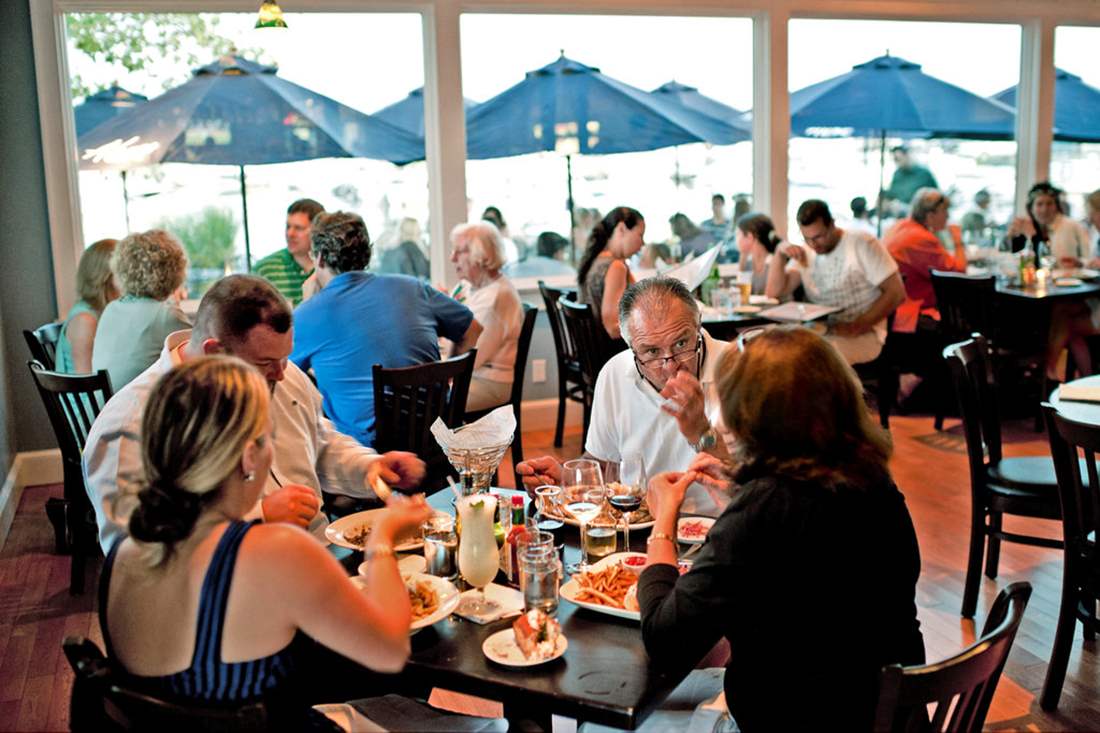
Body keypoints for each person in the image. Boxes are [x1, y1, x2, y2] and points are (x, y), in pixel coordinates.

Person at [98, 355, 500, 731]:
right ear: (248, 457)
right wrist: (382, 540)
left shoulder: (123, 554)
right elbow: (390, 650)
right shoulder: (276, 551)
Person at [634, 326, 923, 732]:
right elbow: (807, 563)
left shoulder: (765, 511)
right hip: (884, 713)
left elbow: (666, 642)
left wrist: (663, 520)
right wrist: (742, 492)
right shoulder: (873, 482)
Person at [84, 274, 424, 550]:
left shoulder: (282, 374)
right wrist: (258, 517)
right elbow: (131, 549)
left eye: (286, 357)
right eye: (265, 363)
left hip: (317, 554)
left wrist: (370, 467)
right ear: (215, 351)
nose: (281, 372)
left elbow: (319, 441)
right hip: (223, 595)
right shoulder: (132, 421)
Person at [517, 278, 733, 517]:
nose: (670, 366)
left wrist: (703, 433)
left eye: (681, 343)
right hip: (640, 527)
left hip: (719, 527)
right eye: (651, 352)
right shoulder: (615, 373)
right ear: (630, 346)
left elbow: (761, 488)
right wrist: (567, 480)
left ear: (698, 324)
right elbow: (602, 461)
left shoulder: (737, 370)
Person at [291, 212, 481, 447]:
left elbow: (285, 377)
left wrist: (309, 300)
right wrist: (448, 371)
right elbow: (472, 329)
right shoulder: (413, 288)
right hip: (437, 440)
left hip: (367, 457)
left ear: (318, 258)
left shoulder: (308, 314)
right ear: (367, 253)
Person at [766, 199, 905, 365]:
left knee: (808, 360)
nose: (813, 244)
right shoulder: (807, 250)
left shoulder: (861, 243)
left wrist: (856, 326)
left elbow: (896, 293)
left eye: (819, 237)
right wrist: (780, 254)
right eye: (807, 238)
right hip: (821, 331)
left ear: (832, 224)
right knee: (773, 353)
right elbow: (773, 292)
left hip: (863, 334)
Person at [92, 229, 191, 390]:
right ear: (174, 269)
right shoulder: (165, 315)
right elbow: (204, 357)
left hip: (103, 410)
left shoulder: (111, 309)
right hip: (135, 412)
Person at [448, 221, 523, 412]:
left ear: (480, 255)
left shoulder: (496, 297)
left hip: (488, 381)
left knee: (422, 401)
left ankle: (450, 442)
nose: (452, 258)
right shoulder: (468, 286)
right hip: (471, 375)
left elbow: (470, 357)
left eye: (459, 251)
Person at [884, 188, 967, 313]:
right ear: (930, 215)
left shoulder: (899, 226)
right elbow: (959, 273)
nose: (948, 216)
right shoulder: (920, 238)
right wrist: (957, 240)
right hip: (913, 313)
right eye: (944, 210)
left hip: (894, 307)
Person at [577, 207, 645, 341]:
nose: (643, 243)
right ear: (621, 229)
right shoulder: (615, 267)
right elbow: (613, 329)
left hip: (593, 350)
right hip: (609, 353)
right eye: (640, 235)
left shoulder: (595, 260)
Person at [56, 238, 119, 374]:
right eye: (123, 270)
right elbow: (87, 383)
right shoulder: (84, 321)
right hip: (88, 393)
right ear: (105, 276)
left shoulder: (104, 311)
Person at [254, 198, 324, 306]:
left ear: (318, 231)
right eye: (288, 226)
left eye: (298, 228)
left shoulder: (331, 269)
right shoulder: (264, 270)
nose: (289, 233)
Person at [1007, 182, 1091, 265]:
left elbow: (1089, 259)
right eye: (1039, 204)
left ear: (1057, 206)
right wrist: (1010, 238)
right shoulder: (1023, 227)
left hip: (1069, 277)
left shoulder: (1072, 225)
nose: (1044, 209)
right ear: (1031, 208)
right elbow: (1016, 261)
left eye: (1049, 204)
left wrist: (1079, 262)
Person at [882, 145, 938, 217]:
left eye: (898, 159)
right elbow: (890, 196)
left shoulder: (924, 174)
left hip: (921, 216)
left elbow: (936, 197)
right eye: (894, 160)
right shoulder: (897, 174)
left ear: (907, 155)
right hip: (901, 218)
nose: (897, 163)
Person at [735, 212, 781, 295]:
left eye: (738, 234)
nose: (736, 239)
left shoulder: (772, 262)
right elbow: (741, 294)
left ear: (749, 237)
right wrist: (742, 258)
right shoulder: (748, 262)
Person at [502, 231, 574, 278]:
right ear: (558, 252)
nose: (564, 257)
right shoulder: (566, 272)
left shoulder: (517, 267)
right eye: (563, 252)